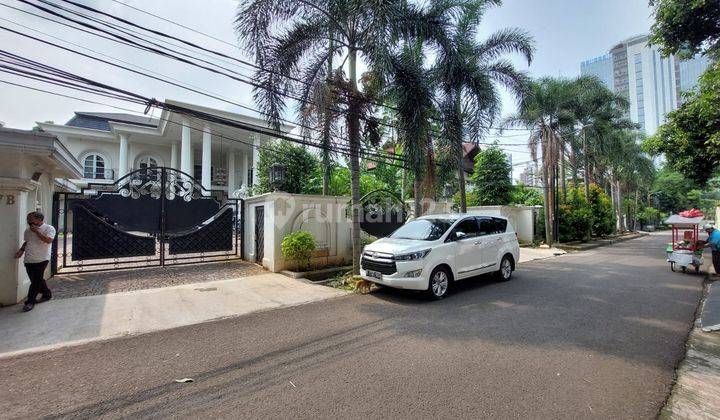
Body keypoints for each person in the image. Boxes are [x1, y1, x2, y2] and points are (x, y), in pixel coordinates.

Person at [14, 211, 56, 312]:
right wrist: (21, 251)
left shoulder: (49, 228)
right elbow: (27, 242)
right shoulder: (28, 230)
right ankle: (46, 294)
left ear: (39, 219)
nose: (28, 221)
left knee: (36, 281)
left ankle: (30, 302)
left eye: (30, 219)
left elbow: (48, 240)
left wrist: (37, 231)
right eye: (28, 219)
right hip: (28, 259)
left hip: (41, 259)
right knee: (36, 280)